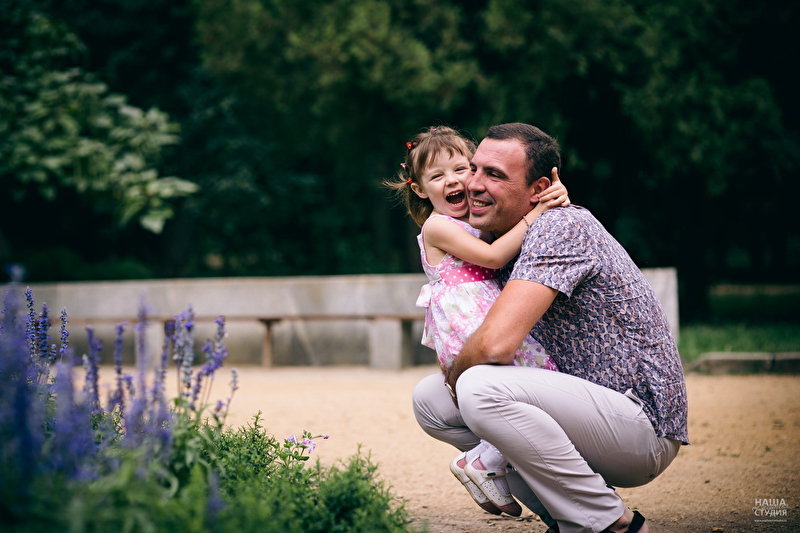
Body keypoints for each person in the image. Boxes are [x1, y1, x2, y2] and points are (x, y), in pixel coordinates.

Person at [411, 123, 689, 533]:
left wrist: (456, 375)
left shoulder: (559, 227)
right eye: (476, 169)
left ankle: (611, 523)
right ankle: (565, 516)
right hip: (580, 410)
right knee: (430, 400)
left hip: (639, 426)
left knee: (477, 387)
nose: (472, 183)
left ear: (538, 188)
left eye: (494, 174)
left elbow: (496, 346)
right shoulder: (495, 234)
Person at [387, 126, 570, 517]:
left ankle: (492, 463)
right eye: (437, 176)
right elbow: (494, 257)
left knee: (527, 392)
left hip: (485, 313)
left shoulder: (472, 219)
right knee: (533, 383)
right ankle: (483, 460)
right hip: (469, 323)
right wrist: (538, 212)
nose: (453, 181)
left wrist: (547, 197)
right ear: (420, 189)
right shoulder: (437, 225)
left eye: (462, 169)